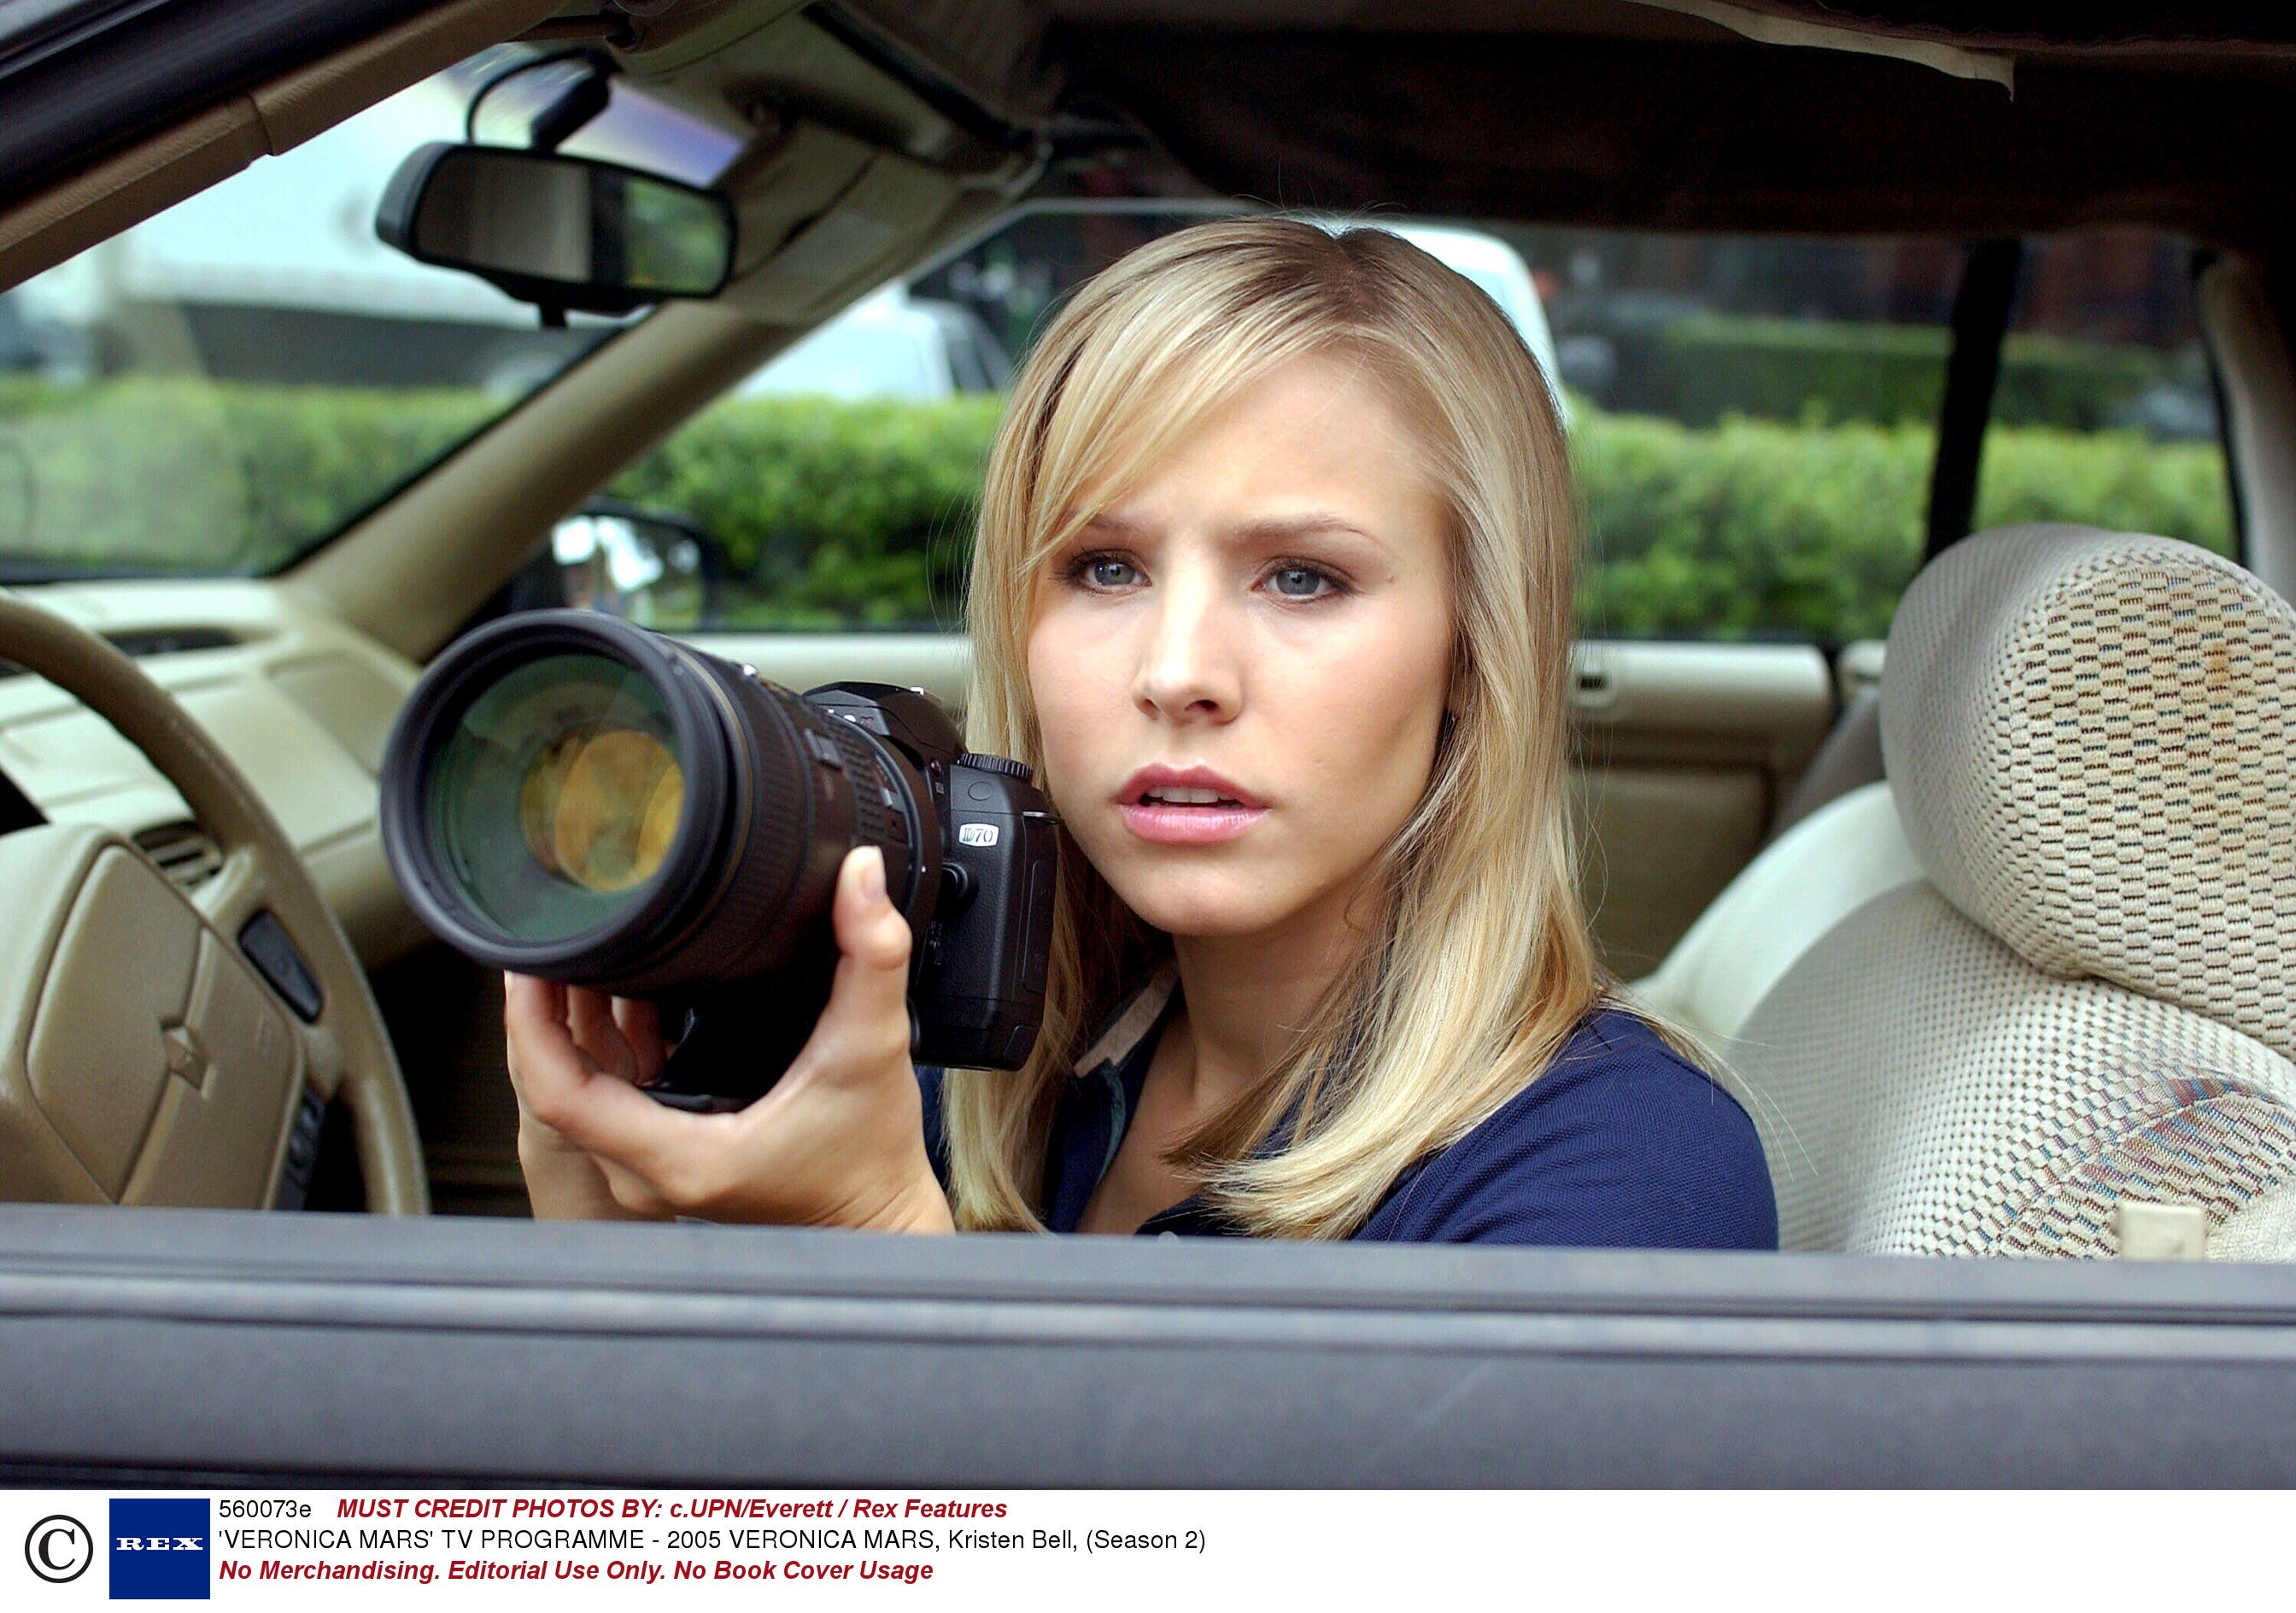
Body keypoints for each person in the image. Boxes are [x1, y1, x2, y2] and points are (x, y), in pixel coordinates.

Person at [504, 217, 1778, 1247]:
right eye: (1104, 569)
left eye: (1303, 579)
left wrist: (882, 1240)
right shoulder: (995, 1072)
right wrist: (606, 1251)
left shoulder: (1626, 1177)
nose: (1178, 675)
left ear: (1474, 652)